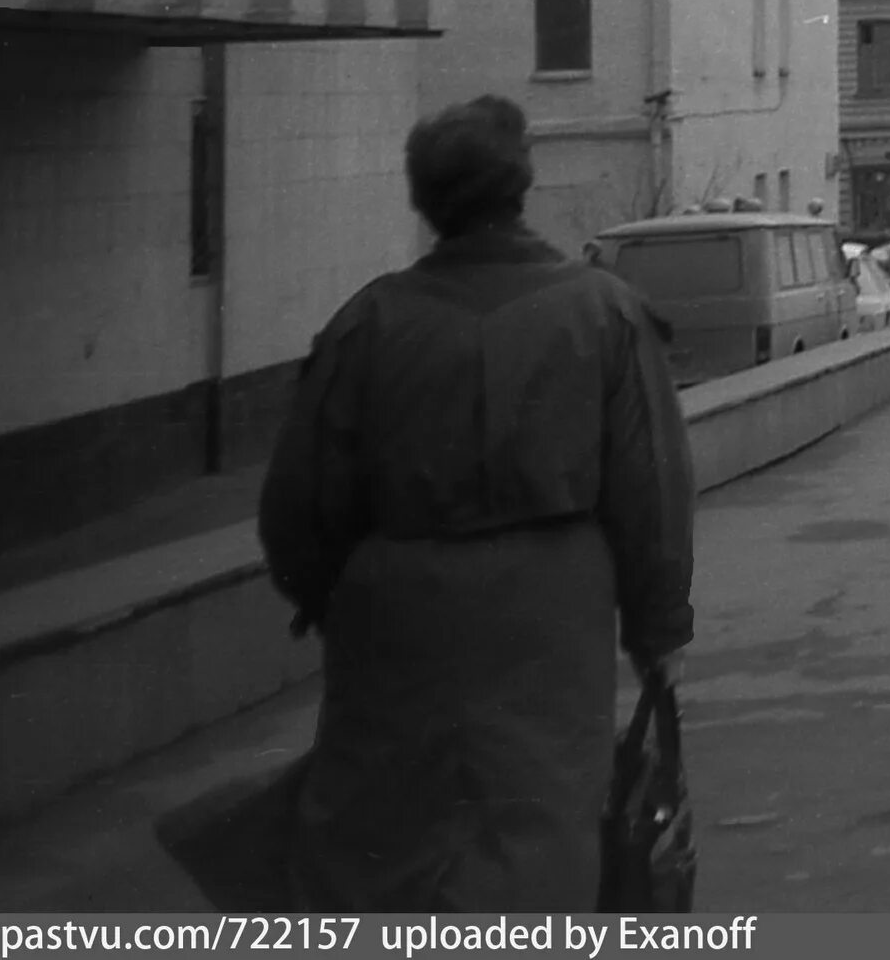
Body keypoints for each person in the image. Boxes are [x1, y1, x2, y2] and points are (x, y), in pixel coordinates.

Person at [252, 95, 694, 907]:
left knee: (385, 832)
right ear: (520, 187)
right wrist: (658, 629)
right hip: (550, 611)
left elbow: (297, 502)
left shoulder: (368, 323)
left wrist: (326, 594)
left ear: (425, 200)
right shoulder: (602, 313)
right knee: (540, 822)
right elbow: (651, 488)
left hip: (396, 610)